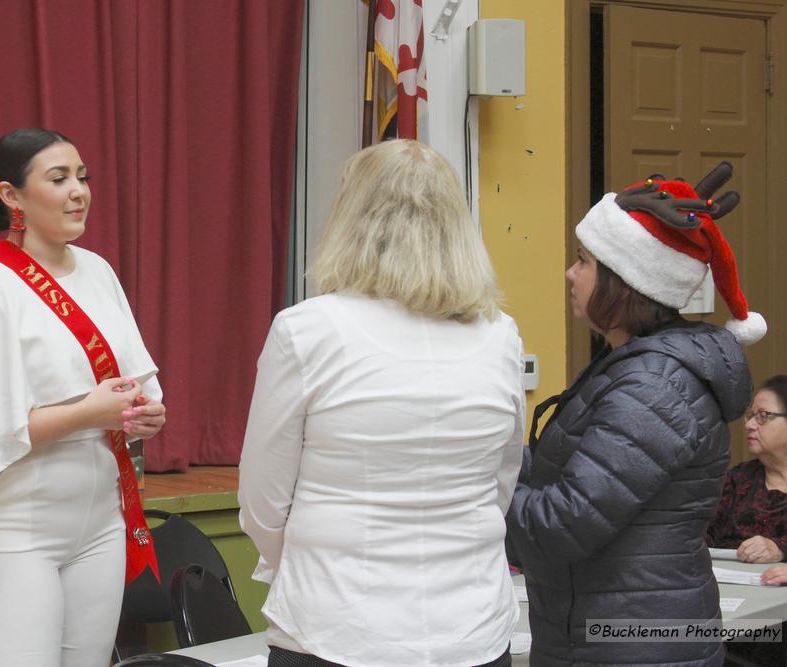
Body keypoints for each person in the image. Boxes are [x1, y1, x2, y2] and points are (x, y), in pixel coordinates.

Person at [238, 139, 525, 667]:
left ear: (350, 220)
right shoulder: (501, 334)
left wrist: (313, 562)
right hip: (472, 626)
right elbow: (500, 482)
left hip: (334, 625)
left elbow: (262, 502)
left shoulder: (306, 330)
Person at [0, 128, 166, 667]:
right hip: (11, 528)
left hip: (100, 523)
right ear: (10, 196)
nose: (79, 191)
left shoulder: (98, 271)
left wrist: (145, 413)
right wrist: (91, 412)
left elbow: (134, 382)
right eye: (59, 178)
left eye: (83, 177)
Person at [505, 162, 764, 666]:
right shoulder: (638, 371)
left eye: (584, 262)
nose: (570, 274)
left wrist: (480, 472)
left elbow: (561, 525)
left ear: (624, 282)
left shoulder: (653, 387)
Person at [707, 375, 787, 565]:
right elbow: (701, 538)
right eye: (751, 416)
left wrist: (781, 549)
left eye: (763, 416)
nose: (749, 425)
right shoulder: (737, 479)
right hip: (731, 588)